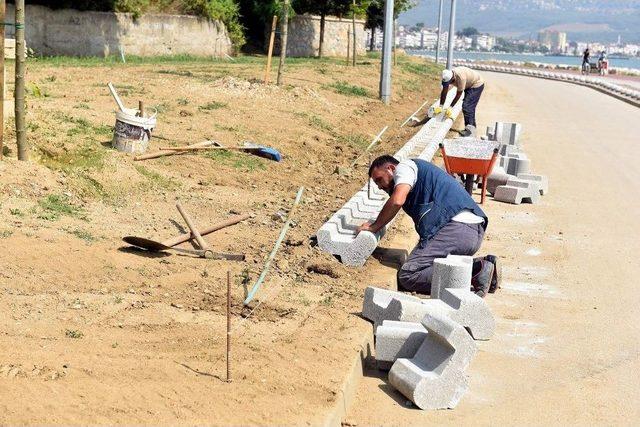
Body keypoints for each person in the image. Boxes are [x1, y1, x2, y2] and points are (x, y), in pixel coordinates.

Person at [356, 155, 500, 297]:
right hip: (471, 231)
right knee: (430, 265)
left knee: (408, 275)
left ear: (391, 168)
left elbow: (397, 201)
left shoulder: (404, 168)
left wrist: (374, 227)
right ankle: (483, 265)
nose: (380, 186)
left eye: (379, 180)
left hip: (455, 228)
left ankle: (475, 272)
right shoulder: (415, 177)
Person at [435, 67, 485, 137]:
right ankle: (470, 128)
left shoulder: (461, 78)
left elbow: (458, 94)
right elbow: (444, 91)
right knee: (467, 106)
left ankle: (471, 131)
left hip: (476, 84)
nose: (449, 84)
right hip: (469, 84)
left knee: (467, 106)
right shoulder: (447, 76)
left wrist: (450, 107)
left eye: (450, 82)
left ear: (452, 78)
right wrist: (441, 106)